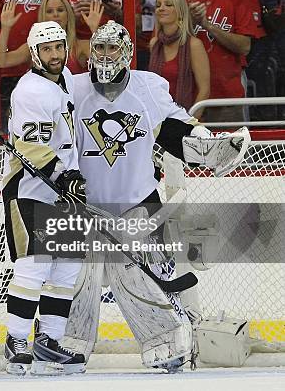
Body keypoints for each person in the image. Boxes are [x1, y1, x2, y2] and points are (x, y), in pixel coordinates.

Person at [68, 20, 224, 372]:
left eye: (113, 48)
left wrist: (210, 146)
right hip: (82, 208)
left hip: (137, 204)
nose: (106, 56)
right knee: (75, 280)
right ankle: (69, 346)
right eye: (100, 48)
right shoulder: (71, 88)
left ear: (126, 53)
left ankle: (166, 344)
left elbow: (176, 128)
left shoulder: (148, 87)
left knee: (141, 279)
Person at [1, 20, 86, 376]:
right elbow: (31, 146)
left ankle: (48, 341)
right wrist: (64, 176)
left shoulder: (64, 77)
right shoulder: (31, 91)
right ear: (34, 54)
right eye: (47, 49)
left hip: (62, 192)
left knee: (66, 270)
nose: (54, 54)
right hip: (30, 190)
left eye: (58, 47)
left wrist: (70, 180)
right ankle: (16, 339)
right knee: (34, 267)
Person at [168, 0, 256, 122]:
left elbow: (245, 46)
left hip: (226, 95)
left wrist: (207, 25)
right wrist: (188, 22)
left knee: (232, 150)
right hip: (183, 96)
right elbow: (159, 42)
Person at [0, 0, 103, 75]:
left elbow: (105, 63)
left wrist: (95, 30)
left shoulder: (80, 46)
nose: (55, 14)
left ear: (68, 15)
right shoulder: (32, 47)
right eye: (49, 11)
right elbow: (1, 62)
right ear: (43, 16)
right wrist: (5, 28)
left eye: (60, 10)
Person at [149, 0, 210, 116]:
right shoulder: (154, 44)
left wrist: (189, 122)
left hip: (185, 118)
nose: (161, 8)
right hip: (156, 118)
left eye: (168, 4)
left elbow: (204, 90)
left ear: (180, 12)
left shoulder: (194, 45)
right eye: (158, 5)